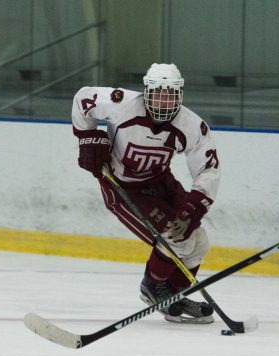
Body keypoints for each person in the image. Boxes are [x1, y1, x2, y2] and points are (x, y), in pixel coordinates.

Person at [71, 63, 221, 324]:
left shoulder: (192, 125)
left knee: (200, 242)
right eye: (159, 93)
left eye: (171, 94)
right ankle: (152, 289)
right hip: (123, 186)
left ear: (180, 95)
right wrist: (87, 136)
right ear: (146, 92)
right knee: (176, 241)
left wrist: (192, 208)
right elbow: (83, 98)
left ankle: (174, 296)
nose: (164, 101)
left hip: (161, 182)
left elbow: (208, 170)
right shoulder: (122, 104)